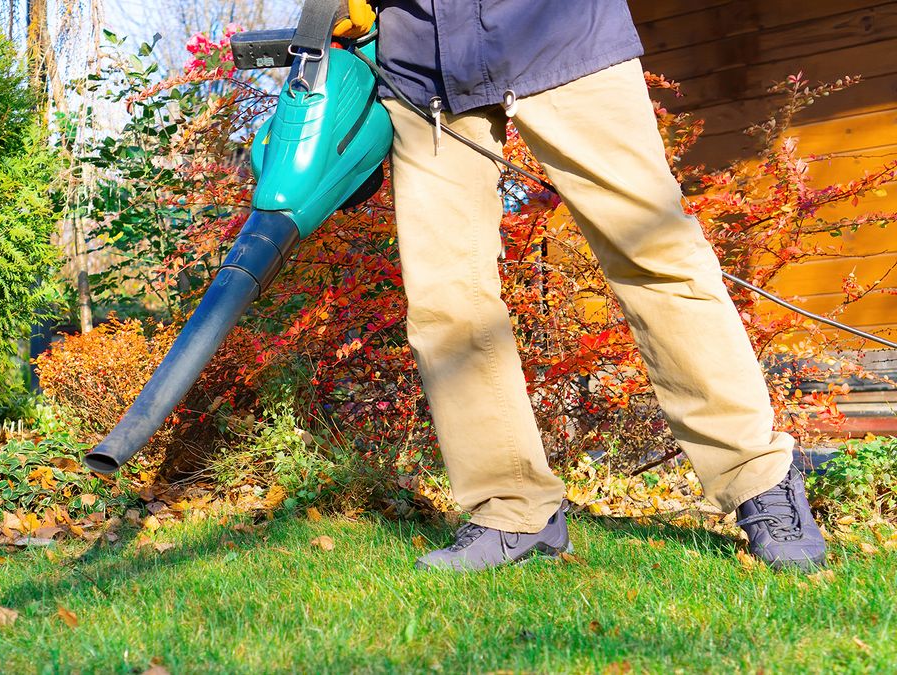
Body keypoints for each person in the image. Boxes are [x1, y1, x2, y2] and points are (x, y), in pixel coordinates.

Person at [341, 0, 828, 571]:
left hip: (560, 28)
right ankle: (513, 510)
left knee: (655, 254)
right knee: (446, 298)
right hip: (424, 64)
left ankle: (758, 478)